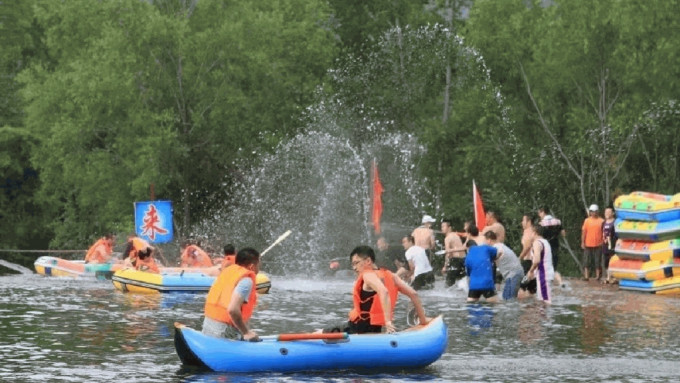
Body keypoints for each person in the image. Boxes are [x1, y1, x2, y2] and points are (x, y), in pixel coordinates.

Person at [332, 246, 430, 334]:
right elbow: (413, 294)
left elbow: (384, 291)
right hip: (374, 330)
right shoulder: (391, 275)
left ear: (368, 261)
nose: (354, 268)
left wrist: (388, 322)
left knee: (322, 333)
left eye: (356, 263)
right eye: (352, 265)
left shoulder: (367, 275)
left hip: (356, 329)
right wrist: (423, 321)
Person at [203, 247, 261, 340]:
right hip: (223, 332)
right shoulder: (246, 281)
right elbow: (233, 310)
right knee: (250, 335)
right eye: (258, 264)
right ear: (252, 266)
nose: (259, 268)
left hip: (207, 328)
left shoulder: (226, 272)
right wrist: (246, 333)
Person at [485, 231, 524, 300]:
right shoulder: (500, 245)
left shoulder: (496, 247)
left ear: (489, 240)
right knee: (506, 298)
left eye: (486, 241)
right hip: (515, 273)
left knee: (508, 299)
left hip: (514, 274)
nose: (485, 243)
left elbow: (500, 252)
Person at [464, 237, 498, 302]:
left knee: (471, 305)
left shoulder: (467, 258)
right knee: (494, 304)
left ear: (467, 248)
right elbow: (496, 251)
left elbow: (468, 275)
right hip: (487, 283)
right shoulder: (485, 247)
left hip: (474, 286)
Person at [527, 224, 555, 303]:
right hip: (548, 274)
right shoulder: (545, 242)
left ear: (535, 233)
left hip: (543, 275)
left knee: (544, 302)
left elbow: (537, 260)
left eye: (531, 232)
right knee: (545, 300)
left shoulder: (537, 243)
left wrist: (531, 271)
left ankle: (545, 315)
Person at [538, 207, 565, 286]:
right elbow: (563, 234)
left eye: (539, 213)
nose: (539, 215)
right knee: (554, 266)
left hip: (545, 247)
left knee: (544, 265)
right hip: (555, 245)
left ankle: (546, 283)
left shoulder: (541, 224)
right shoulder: (557, 221)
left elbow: (539, 237)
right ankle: (560, 282)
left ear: (543, 212)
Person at [581, 204, 604, 281]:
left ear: (598, 212)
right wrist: (582, 242)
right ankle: (586, 276)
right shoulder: (587, 221)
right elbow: (584, 232)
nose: (593, 213)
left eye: (595, 211)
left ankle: (598, 276)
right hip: (588, 243)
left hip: (599, 243)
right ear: (590, 212)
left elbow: (604, 232)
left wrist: (603, 242)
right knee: (586, 260)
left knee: (597, 260)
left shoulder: (601, 221)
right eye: (592, 211)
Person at [440, 219, 466, 287]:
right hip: (463, 260)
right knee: (463, 283)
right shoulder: (456, 235)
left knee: (448, 285)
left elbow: (448, 253)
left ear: (449, 228)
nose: (441, 228)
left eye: (443, 226)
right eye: (441, 227)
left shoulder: (447, 238)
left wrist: (445, 266)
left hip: (455, 261)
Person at [602, 206, 617, 284]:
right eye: (606, 212)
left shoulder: (616, 222)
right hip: (605, 245)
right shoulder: (603, 223)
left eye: (609, 212)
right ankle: (608, 277)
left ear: (613, 213)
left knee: (613, 261)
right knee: (606, 262)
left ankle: (614, 277)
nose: (607, 213)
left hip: (613, 245)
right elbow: (602, 233)